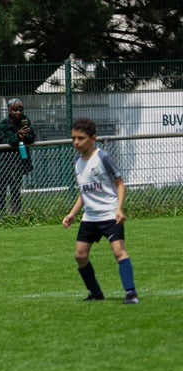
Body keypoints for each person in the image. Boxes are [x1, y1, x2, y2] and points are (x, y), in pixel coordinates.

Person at [62, 118, 138, 304]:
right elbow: (84, 192)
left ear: (93, 138)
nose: (76, 142)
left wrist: (119, 209)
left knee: (119, 252)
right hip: (90, 217)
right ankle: (95, 293)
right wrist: (72, 214)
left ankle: (131, 293)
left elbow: (120, 184)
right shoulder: (77, 162)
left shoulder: (103, 158)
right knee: (80, 255)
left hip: (110, 214)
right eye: (73, 138)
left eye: (81, 138)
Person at [0, 97, 36, 216]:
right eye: (15, 110)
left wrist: (24, 137)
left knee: (16, 190)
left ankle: (16, 215)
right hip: (2, 164)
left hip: (18, 163)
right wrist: (17, 136)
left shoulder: (25, 121)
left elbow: (32, 137)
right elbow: (3, 141)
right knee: (1, 191)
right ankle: (1, 216)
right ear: (9, 110)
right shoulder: (3, 124)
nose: (18, 112)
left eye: (20, 110)